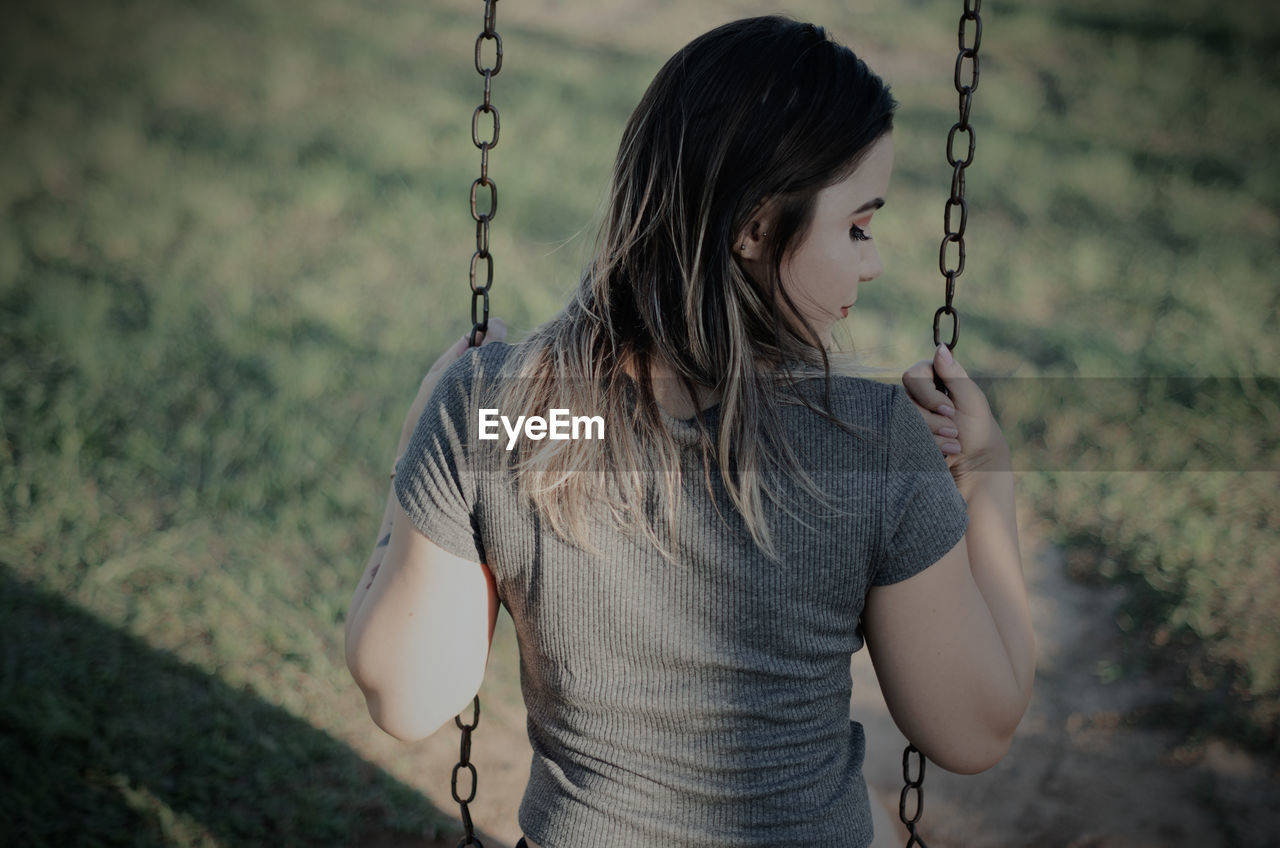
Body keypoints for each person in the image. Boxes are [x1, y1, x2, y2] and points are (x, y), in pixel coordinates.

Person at [345, 15, 1035, 848]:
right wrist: (988, 475)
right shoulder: (872, 441)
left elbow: (407, 698)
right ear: (753, 228)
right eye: (857, 226)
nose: (873, 260)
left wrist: (423, 439)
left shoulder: (507, 408)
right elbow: (975, 730)